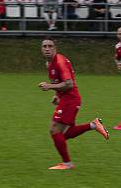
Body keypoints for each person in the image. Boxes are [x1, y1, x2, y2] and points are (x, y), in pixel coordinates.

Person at [39, 38, 109, 170]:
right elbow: (58, 81)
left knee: (54, 130)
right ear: (41, 49)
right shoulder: (49, 63)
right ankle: (94, 125)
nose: (47, 49)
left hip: (71, 99)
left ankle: (67, 164)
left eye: (50, 46)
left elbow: (69, 84)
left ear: (55, 48)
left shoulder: (60, 62)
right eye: (44, 46)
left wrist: (49, 86)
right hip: (67, 98)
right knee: (64, 134)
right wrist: (56, 94)